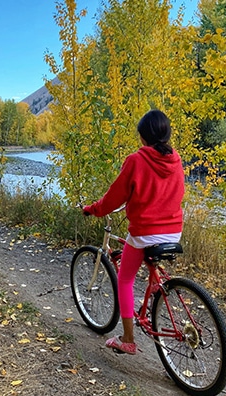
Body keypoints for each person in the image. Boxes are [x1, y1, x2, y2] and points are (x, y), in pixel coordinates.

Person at [82, 109, 185, 355]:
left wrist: (93, 209)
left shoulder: (136, 160)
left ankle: (128, 339)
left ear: (143, 137)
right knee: (147, 264)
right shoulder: (176, 160)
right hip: (173, 231)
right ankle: (152, 299)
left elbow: (113, 198)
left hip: (145, 233)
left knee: (126, 279)